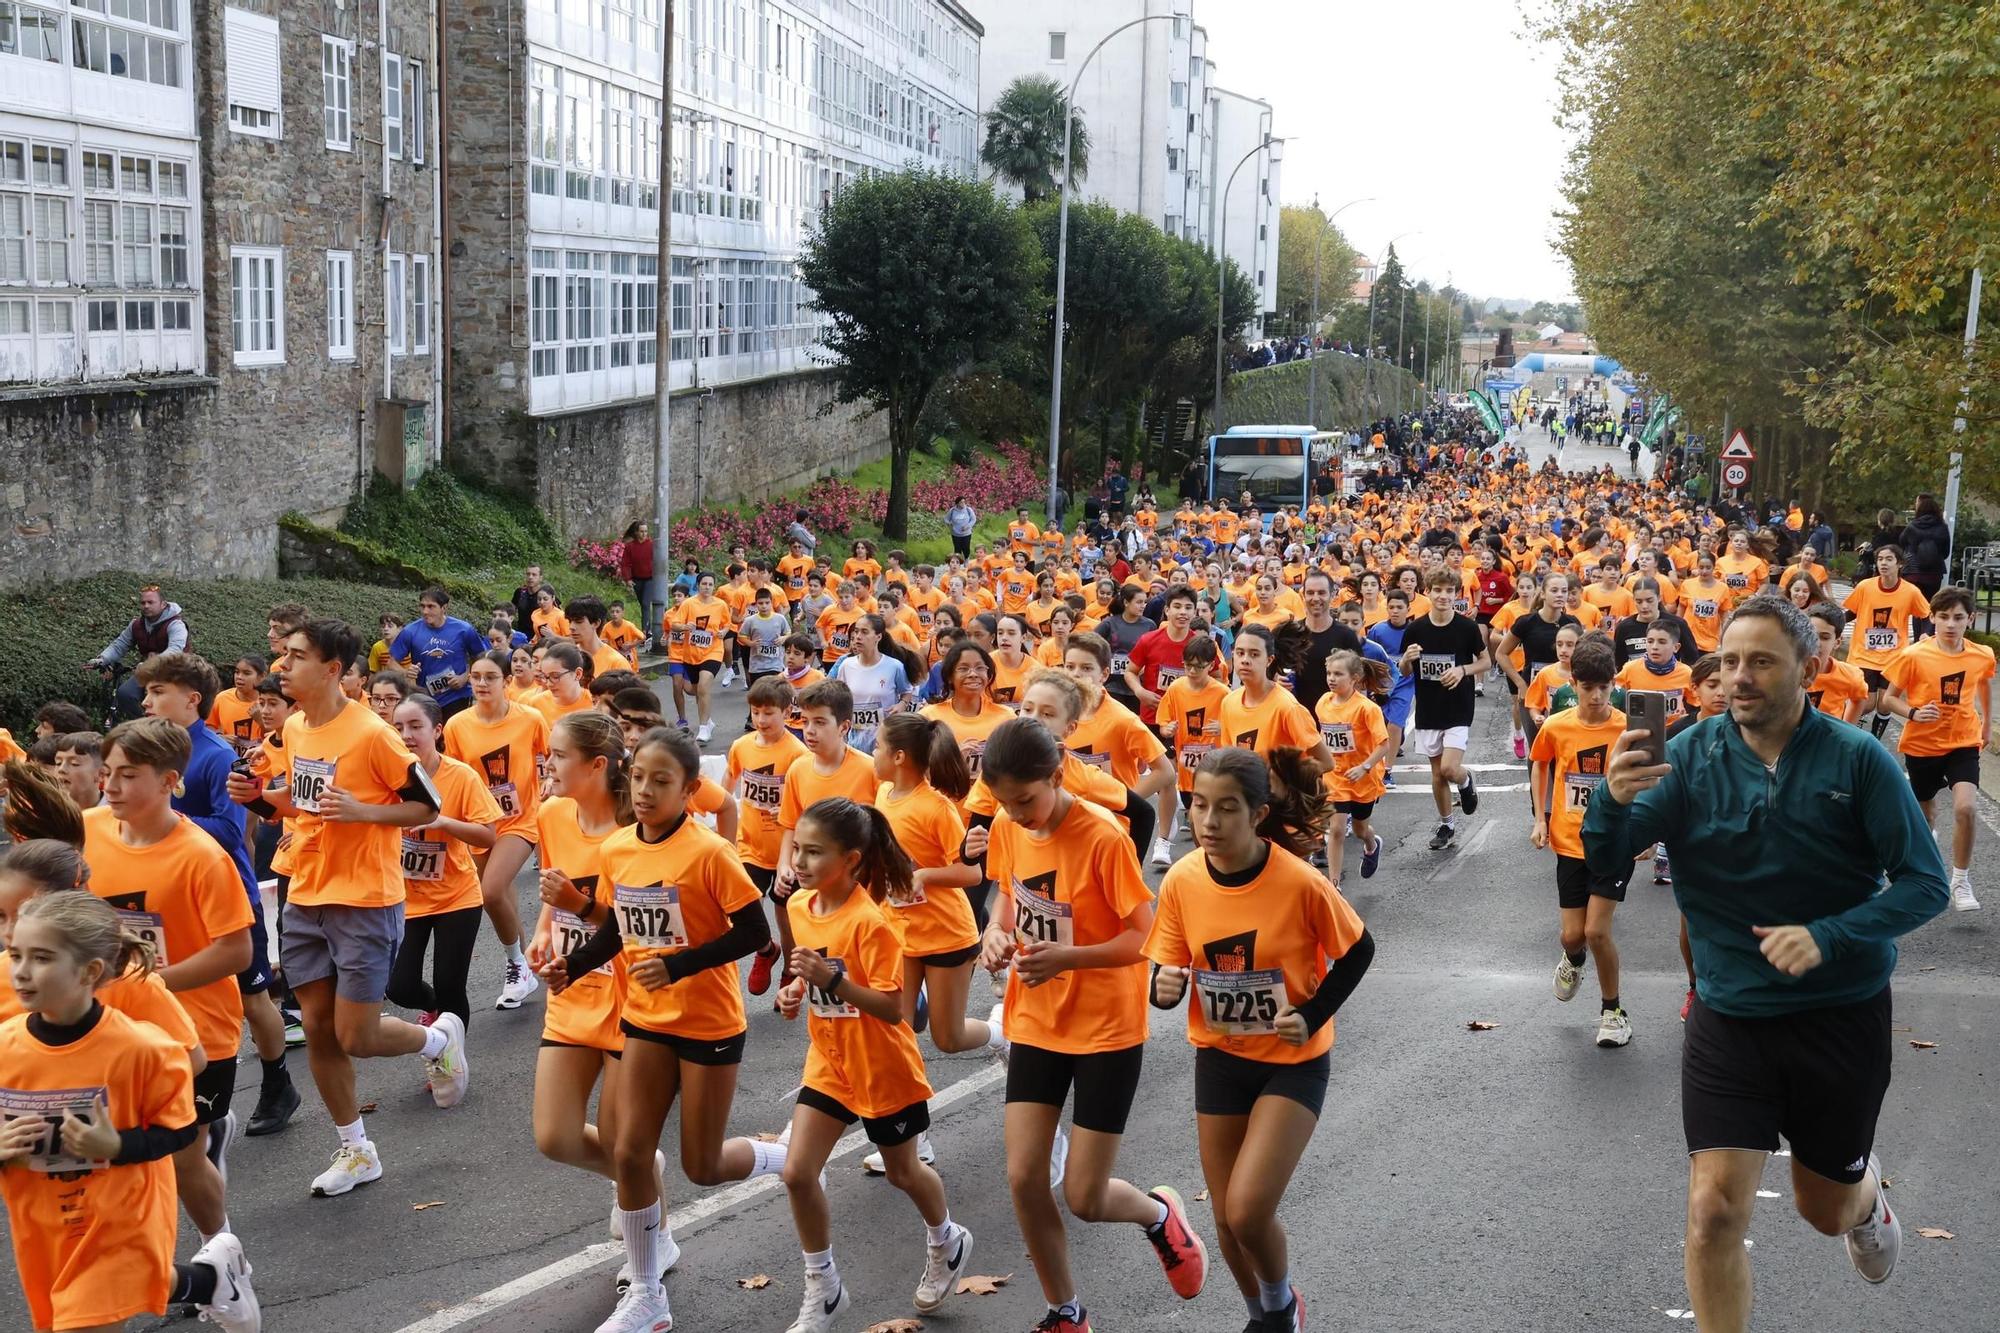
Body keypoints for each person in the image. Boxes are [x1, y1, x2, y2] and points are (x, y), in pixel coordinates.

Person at [1583, 594, 1950, 1332]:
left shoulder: (1859, 759)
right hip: (1730, 1012)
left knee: (1824, 1207)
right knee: (1713, 1208)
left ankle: (1864, 1200)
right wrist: (1613, 806)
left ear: (1810, 668)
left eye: (1760, 661)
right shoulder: (1686, 754)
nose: (1739, 676)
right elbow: (1606, 855)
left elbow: (1925, 883)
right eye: (1728, 662)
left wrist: (1830, 934)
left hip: (1838, 1014)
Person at [977, 718, 1207, 1333]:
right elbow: (1006, 890)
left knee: (1084, 1195)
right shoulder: (1006, 825)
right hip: (1036, 1018)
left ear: (1055, 775)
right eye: (1004, 802)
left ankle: (1159, 1215)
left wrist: (1069, 957)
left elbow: (1145, 937)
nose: (1017, 813)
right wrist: (996, 932)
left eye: (1026, 799)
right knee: (1024, 1176)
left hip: (1106, 1026)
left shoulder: (1102, 835)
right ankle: (1065, 1312)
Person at [226, 618, 466, 1198]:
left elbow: (424, 808)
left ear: (333, 669)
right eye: (282, 656)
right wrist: (261, 796)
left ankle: (438, 1039)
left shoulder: (372, 734)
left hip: (364, 897)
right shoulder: (297, 729)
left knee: (355, 1034)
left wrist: (363, 811)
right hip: (305, 890)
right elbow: (303, 804)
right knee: (317, 1028)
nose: (281, 666)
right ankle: (357, 1149)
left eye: (296, 657)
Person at [557, 726, 782, 1333]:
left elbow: (754, 935)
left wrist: (679, 963)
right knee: (629, 1153)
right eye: (639, 779)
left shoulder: (708, 851)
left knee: (701, 1167)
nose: (648, 791)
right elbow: (616, 930)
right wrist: (572, 964)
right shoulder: (619, 849)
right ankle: (648, 1291)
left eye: (663, 782)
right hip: (645, 1018)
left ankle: (781, 1156)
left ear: (690, 790)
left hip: (708, 1022)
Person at [1147, 748, 1373, 1333]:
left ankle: (1280, 1305)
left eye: (1226, 809)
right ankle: (1267, 1315)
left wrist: (1313, 1010)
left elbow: (1358, 950)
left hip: (1292, 1062)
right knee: (1224, 1218)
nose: (1208, 823)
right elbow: (1167, 975)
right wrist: (1164, 987)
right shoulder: (1182, 880)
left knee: (1248, 1210)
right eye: (1199, 806)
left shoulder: (1298, 881)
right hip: (1221, 1058)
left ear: (1256, 814)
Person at [0, 891, 262, 1333]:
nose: (21, 971)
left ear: (90, 972)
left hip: (119, 1217)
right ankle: (209, 1280)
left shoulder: (143, 1049)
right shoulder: (6, 1046)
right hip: (41, 1224)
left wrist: (116, 1144)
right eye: (15, 954)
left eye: (41, 958)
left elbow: (180, 1132)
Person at [774, 796, 976, 1331]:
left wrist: (830, 981)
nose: (799, 862)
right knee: (797, 1172)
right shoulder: (799, 908)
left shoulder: (873, 922)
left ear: (853, 860)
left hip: (883, 1067)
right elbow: (809, 972)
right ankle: (824, 1285)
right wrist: (795, 989)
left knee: (903, 1172)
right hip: (830, 1061)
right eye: (799, 849)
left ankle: (946, 1239)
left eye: (815, 854)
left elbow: (895, 1009)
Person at [81, 718, 256, 1266]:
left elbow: (237, 952)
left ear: (169, 781)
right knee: (105, 1150)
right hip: (110, 1025)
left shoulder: (200, 856)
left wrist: (148, 980)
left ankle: (223, 1255)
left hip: (197, 1031)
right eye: (107, 772)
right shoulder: (87, 830)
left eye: (127, 775)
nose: (110, 785)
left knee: (182, 1158)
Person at [527, 712, 681, 1297]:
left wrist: (577, 906)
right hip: (571, 992)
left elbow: (640, 923)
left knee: (625, 1144)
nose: (548, 765)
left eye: (559, 755)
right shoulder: (550, 813)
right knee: (555, 1136)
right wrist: (546, 927)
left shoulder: (635, 828)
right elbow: (556, 886)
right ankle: (641, 1173)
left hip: (629, 998)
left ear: (597, 765)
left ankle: (655, 1238)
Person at [132, 654, 298, 1137]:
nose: (146, 702)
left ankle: (277, 1083)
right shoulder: (148, 753)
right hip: (165, 903)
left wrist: (163, 817)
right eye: (147, 693)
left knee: (252, 1000)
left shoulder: (216, 755)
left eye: (157, 692)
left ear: (192, 699)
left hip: (227, 898)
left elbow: (229, 831)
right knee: (163, 994)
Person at [1530, 639, 1634, 1047]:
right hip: (1570, 842)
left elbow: (1646, 779)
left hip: (1615, 843)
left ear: (1614, 685)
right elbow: (1540, 764)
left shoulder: (1628, 726)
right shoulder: (1557, 726)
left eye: (1603, 688)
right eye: (1587, 687)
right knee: (1572, 937)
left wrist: (1643, 832)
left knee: (1596, 932)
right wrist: (1540, 819)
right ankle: (1573, 961)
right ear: (1573, 684)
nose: (1595, 697)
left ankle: (1613, 1012)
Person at [446, 650, 554, 1011]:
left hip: (521, 819)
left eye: (490, 677)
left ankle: (515, 964)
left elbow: (552, 756)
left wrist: (552, 785)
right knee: (501, 894)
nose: (480, 683)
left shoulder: (531, 719)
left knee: (490, 892)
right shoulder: (457, 725)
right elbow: (456, 776)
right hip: (481, 821)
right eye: (475, 676)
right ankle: (524, 964)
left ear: (507, 681)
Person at [385, 695, 501, 1030]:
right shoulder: (385, 779)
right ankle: (435, 1009)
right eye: (398, 727)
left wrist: (442, 823)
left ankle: (450, 1063)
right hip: (406, 899)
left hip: (457, 897)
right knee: (400, 988)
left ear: (437, 730)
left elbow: (487, 835)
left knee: (451, 986)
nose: (406, 735)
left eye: (415, 726)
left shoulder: (460, 776)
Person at [1880, 586, 1992, 912]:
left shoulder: (1981, 654)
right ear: (1932, 618)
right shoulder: (1914, 655)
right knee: (1925, 814)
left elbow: (1984, 682)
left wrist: (1986, 722)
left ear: (1970, 619)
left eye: (1958, 617)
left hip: (1963, 741)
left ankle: (1960, 880)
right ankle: (1927, 864)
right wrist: (1913, 713)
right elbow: (1888, 699)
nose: (1950, 624)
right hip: (1923, 743)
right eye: (1943, 617)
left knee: (1965, 808)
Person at [728, 677, 811, 996]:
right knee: (739, 909)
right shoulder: (741, 746)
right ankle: (765, 950)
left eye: (769, 713)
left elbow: (807, 803)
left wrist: (791, 815)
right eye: (756, 712)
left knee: (786, 914)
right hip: (749, 846)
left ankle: (790, 972)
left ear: (787, 711)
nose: (761, 720)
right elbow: (728, 784)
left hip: (787, 852)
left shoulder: (797, 753)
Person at [1399, 570, 1491, 849]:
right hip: (1429, 707)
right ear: (1427, 591)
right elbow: (1404, 671)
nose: (1443, 596)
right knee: (1437, 774)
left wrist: (1463, 670)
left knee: (1450, 768)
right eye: (1437, 590)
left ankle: (1465, 781)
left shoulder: (1466, 628)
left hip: (1458, 706)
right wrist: (1406, 658)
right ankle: (1446, 825)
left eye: (1449, 591)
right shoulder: (1415, 629)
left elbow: (1485, 662)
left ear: (1456, 594)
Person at [1316, 649, 1394, 887]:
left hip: (1363, 777)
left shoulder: (1366, 708)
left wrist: (1365, 766)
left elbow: (1384, 744)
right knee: (1337, 829)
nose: (1331, 678)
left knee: (1360, 829)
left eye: (1338, 674)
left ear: (1355, 678)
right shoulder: (1323, 703)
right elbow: (1324, 735)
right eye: (1329, 673)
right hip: (1336, 776)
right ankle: (1334, 884)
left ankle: (1371, 844)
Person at [1843, 546, 1932, 738]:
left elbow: (1926, 616)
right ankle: (1852, 736)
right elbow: (1851, 612)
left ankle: (1874, 743)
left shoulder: (1910, 592)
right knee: (1865, 704)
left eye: (1889, 559)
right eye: (1880, 559)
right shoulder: (1865, 586)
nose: (1883, 563)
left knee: (1884, 704)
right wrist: (1832, 626)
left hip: (1894, 657)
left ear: (1899, 564)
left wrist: (1925, 634)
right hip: (1863, 654)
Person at [83, 583, 191, 721]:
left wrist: (150, 664)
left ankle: (169, 728)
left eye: (150, 602)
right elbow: (119, 645)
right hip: (148, 671)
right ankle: (144, 726)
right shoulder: (136, 625)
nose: (146, 606)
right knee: (125, 694)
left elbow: (175, 650)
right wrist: (102, 659)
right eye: (143, 602)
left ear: (163, 604)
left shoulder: (176, 624)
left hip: (175, 671)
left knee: (164, 699)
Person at [390, 588, 491, 720]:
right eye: (422, 606)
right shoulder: (411, 631)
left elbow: (480, 657)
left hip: (457, 695)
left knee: (452, 735)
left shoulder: (463, 629)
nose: (425, 611)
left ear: (444, 608)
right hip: (426, 696)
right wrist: (406, 671)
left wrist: (465, 677)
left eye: (431, 607)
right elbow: (391, 662)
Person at [1897, 493, 1951, 601]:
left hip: (1913, 571)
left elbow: (1901, 542)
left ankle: (1917, 618)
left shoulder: (1912, 527)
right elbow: (1946, 552)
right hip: (1934, 572)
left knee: (1915, 605)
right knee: (1929, 605)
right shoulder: (1942, 527)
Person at [617, 522, 660, 648]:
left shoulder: (652, 545)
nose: (644, 534)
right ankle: (647, 630)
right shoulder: (630, 547)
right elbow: (625, 564)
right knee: (643, 606)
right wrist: (628, 579)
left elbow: (658, 559)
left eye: (646, 531)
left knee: (646, 604)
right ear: (636, 532)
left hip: (650, 579)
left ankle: (646, 633)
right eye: (641, 531)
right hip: (637, 580)